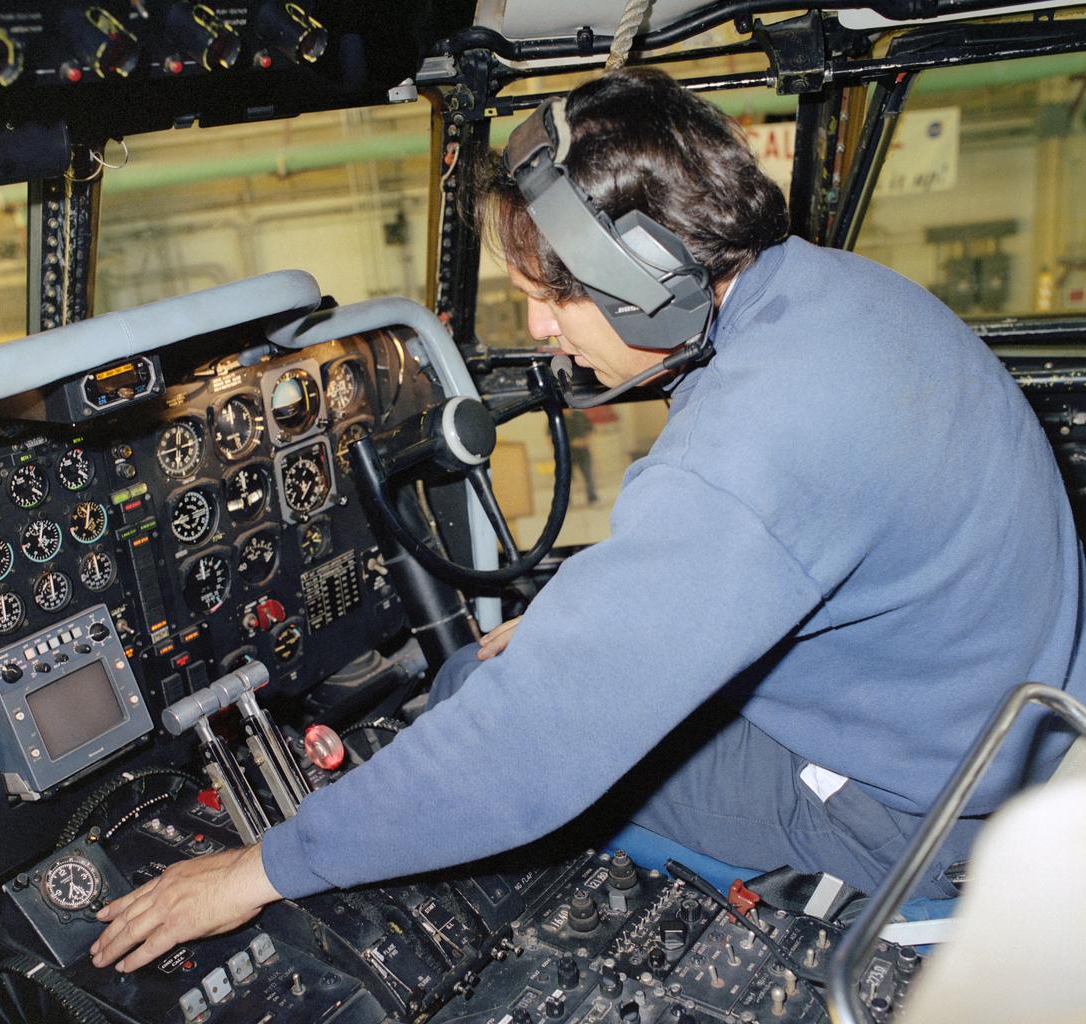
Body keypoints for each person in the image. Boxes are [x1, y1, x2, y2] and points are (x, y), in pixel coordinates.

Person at [89, 67, 1086, 973]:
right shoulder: (831, 294)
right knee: (512, 665)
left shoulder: (749, 444)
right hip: (994, 726)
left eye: (551, 296)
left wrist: (262, 867)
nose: (535, 328)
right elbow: (743, 553)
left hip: (919, 815)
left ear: (648, 288)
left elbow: (530, 749)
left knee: (472, 704)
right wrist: (577, 622)